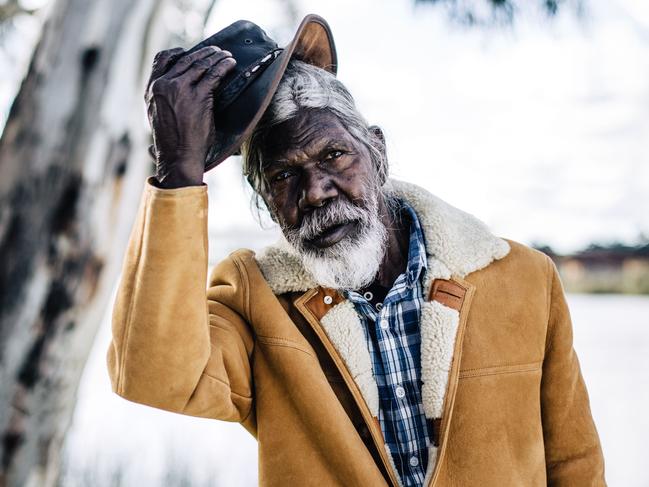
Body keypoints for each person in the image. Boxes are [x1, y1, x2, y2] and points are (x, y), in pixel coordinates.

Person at [106, 14, 606, 487]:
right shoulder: (251, 297)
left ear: (378, 152)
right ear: (265, 201)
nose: (316, 189)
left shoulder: (523, 278)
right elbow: (152, 376)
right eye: (283, 176)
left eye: (333, 154)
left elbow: (574, 462)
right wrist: (177, 172)